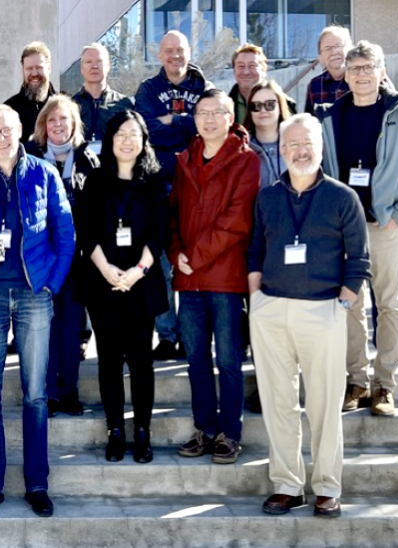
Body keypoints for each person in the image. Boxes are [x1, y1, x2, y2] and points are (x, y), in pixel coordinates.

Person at [0, 105, 75, 518]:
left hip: (33, 295)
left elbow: (65, 233)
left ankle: (37, 484)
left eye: (6, 130)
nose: (0, 138)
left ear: (20, 130)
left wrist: (51, 284)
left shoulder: (44, 174)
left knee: (36, 395)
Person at [249, 113, 370, 518]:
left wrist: (343, 305)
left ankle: (327, 487)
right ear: (281, 151)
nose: (300, 152)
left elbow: (359, 260)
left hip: (324, 311)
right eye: (292, 145)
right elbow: (254, 251)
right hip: (272, 310)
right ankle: (287, 484)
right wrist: (258, 298)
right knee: (279, 403)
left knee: (323, 404)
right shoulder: (267, 197)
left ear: (320, 148)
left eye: (308, 145)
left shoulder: (342, 197)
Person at [315, 41, 398, 416]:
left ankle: (384, 385)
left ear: (381, 70)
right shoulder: (330, 116)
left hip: (385, 225)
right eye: (354, 68)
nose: (361, 75)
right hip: (343, 229)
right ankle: (356, 381)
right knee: (349, 305)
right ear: (346, 75)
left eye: (368, 67)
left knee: (388, 305)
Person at [170, 89, 259, 465]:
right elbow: (172, 213)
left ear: (230, 116)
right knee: (196, 361)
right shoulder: (185, 158)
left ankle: (229, 433)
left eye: (217, 112)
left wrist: (196, 255)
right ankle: (205, 429)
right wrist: (176, 254)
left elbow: (237, 221)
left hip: (224, 278)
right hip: (189, 280)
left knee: (227, 359)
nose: (209, 119)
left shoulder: (245, 160)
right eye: (202, 112)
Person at [78, 111, 167, 463]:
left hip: (140, 285)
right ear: (110, 140)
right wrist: (107, 269)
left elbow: (159, 233)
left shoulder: (155, 183)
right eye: (120, 134)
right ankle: (115, 430)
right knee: (109, 361)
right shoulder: (96, 181)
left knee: (142, 361)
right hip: (104, 284)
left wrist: (137, 271)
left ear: (144, 140)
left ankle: (142, 432)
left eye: (134, 134)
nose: (127, 140)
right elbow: (86, 231)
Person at [134, 30, 213, 361]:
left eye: (180, 50)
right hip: (160, 188)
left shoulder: (204, 88)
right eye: (168, 50)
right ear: (160, 54)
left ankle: (194, 334)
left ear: (189, 51)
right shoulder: (148, 89)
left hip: (199, 190)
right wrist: (186, 124)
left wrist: (173, 120)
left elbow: (209, 124)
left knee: (197, 261)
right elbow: (147, 129)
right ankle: (167, 335)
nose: (174, 56)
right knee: (161, 263)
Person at [24, 94, 99, 417]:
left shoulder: (88, 160)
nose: (57, 125)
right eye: (51, 120)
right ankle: (47, 393)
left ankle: (68, 391)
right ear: (43, 125)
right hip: (41, 259)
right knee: (44, 329)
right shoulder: (29, 157)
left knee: (70, 330)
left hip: (77, 260)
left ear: (73, 124)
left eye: (63, 119)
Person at [71, 42, 134, 146]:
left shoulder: (123, 104)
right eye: (89, 62)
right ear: (82, 68)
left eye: (99, 61)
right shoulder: (71, 105)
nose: (94, 66)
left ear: (108, 66)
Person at [228, 44, 296, 124]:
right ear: (234, 71)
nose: (246, 72)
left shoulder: (286, 105)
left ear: (264, 70)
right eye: (241, 66)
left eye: (252, 66)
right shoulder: (223, 107)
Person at [245, 80, 293, 189]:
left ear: (280, 107)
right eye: (256, 106)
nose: (263, 110)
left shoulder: (297, 145)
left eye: (269, 104)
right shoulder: (240, 150)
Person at [4, 41, 56, 142]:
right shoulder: (9, 110)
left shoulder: (63, 107)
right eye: (29, 69)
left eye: (39, 68)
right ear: (23, 70)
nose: (34, 73)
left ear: (49, 68)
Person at [304, 27, 353, 115]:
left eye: (338, 46)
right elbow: (309, 123)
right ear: (320, 57)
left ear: (350, 50)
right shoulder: (315, 85)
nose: (334, 52)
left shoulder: (362, 79)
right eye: (327, 48)